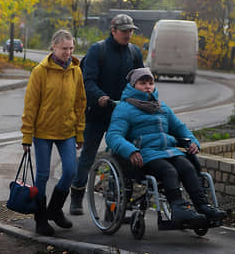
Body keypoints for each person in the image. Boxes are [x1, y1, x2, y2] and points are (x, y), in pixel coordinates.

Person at [105, 67, 227, 226]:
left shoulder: (161, 107)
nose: (148, 86)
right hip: (145, 154)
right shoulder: (124, 108)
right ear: (133, 85)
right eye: (143, 83)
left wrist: (192, 141)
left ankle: (202, 206)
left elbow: (179, 128)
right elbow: (113, 136)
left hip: (168, 151)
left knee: (188, 167)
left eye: (151, 83)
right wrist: (131, 151)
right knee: (169, 171)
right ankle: (178, 208)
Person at [69, 13, 144, 215]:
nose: (128, 34)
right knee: (88, 156)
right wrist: (100, 97)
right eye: (124, 31)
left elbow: (142, 80)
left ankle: (112, 206)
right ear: (113, 31)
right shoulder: (98, 50)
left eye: (130, 31)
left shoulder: (134, 53)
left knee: (120, 158)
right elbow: (88, 80)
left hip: (122, 115)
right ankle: (76, 195)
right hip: (98, 113)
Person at [20, 29, 86, 236]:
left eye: (71, 48)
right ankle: (41, 218)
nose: (68, 52)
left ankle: (55, 210)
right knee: (42, 175)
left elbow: (80, 103)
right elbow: (31, 105)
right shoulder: (40, 71)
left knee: (70, 171)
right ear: (54, 47)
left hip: (66, 131)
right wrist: (27, 136)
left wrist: (80, 132)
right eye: (64, 48)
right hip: (42, 132)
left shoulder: (76, 71)